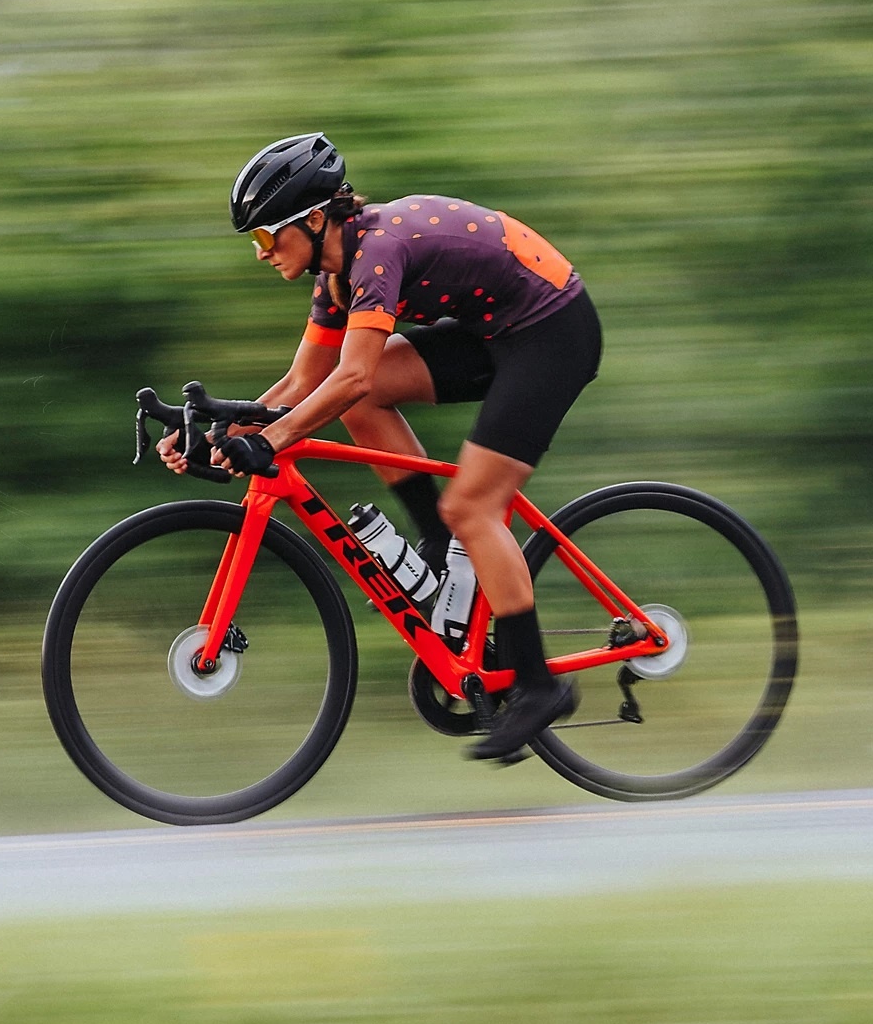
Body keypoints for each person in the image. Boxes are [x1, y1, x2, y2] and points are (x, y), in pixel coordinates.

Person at [159, 132, 602, 761]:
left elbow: (352, 374)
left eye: (265, 236)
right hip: (494, 331)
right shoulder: (334, 275)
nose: (260, 254)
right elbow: (303, 383)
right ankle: (442, 550)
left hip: (552, 334)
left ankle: (538, 684)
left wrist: (274, 438)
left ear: (314, 220)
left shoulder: (378, 251)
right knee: (359, 401)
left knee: (471, 505)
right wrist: (216, 437)